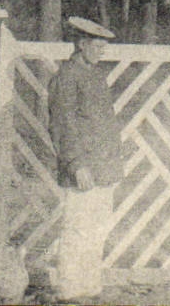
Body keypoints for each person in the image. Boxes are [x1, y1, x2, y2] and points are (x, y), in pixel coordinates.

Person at [47, 16, 122, 302]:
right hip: (84, 169)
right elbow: (63, 125)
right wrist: (76, 164)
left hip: (104, 168)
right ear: (81, 44)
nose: (102, 51)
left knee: (97, 231)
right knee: (76, 229)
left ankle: (89, 287)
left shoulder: (94, 75)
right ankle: (69, 290)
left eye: (104, 45)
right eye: (98, 45)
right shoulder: (66, 77)